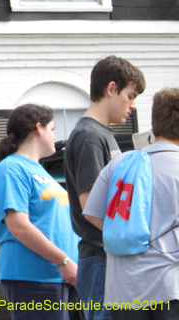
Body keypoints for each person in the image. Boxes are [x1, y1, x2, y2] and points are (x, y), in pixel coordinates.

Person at [0, 104, 79, 320]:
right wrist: (63, 261)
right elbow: (18, 225)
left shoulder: (38, 170)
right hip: (34, 275)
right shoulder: (11, 169)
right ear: (39, 128)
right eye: (52, 129)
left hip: (59, 276)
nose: (55, 135)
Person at [83, 88, 179, 320]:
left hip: (123, 293)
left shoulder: (120, 164)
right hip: (170, 290)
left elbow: (92, 214)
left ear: (154, 125)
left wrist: (127, 233)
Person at [64, 56, 145, 320]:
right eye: (130, 96)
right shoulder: (89, 136)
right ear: (111, 89)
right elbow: (92, 207)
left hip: (105, 257)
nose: (132, 105)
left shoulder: (101, 134)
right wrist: (137, 238)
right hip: (99, 258)